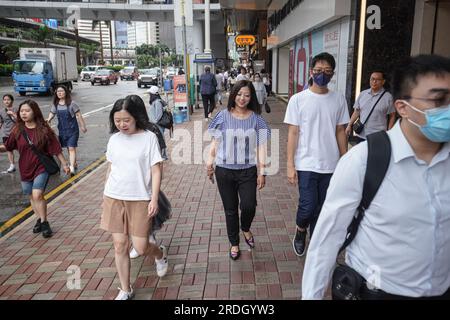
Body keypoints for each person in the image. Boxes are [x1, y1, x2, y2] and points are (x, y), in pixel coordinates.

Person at [302, 54, 450, 300]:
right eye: (439, 99)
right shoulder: (363, 161)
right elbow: (327, 239)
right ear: (403, 106)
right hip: (375, 292)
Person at [101, 95, 169, 300]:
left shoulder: (148, 137)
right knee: (120, 245)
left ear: (137, 118)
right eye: (117, 120)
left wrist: (154, 199)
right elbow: (111, 168)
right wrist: (105, 193)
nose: (121, 125)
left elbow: (156, 170)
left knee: (141, 247)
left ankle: (160, 254)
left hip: (140, 198)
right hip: (114, 197)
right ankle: (125, 289)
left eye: (126, 120)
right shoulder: (114, 139)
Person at [284, 52, 349, 257]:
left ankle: (315, 240)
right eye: (319, 70)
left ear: (333, 74)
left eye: (327, 71)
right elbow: (293, 133)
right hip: (306, 163)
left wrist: (345, 160)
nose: (323, 74)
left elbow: (340, 131)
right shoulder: (298, 100)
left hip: (331, 163)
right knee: (308, 205)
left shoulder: (338, 99)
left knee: (322, 208)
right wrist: (290, 165)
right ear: (311, 71)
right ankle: (300, 230)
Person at [207, 80, 270, 260]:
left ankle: (245, 228)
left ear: (252, 98)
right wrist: (209, 163)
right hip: (224, 171)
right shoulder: (222, 116)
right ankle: (234, 243)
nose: (242, 98)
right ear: (233, 95)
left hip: (248, 170)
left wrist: (262, 171)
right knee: (230, 209)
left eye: (247, 95)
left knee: (249, 205)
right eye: (239, 94)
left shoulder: (257, 120)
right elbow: (215, 142)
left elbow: (262, 147)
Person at [0, 100, 70, 238]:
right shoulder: (17, 130)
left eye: (27, 110)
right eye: (22, 111)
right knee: (31, 195)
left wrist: (65, 164)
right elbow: (8, 146)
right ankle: (39, 218)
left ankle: (44, 223)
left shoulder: (43, 129)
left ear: (35, 112)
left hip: (41, 166)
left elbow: (55, 148)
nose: (24, 113)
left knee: (37, 194)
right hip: (25, 167)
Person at [346, 71, 396, 144]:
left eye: (377, 79)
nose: (374, 81)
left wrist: (389, 132)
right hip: (361, 135)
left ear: (383, 82)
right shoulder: (363, 94)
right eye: (372, 79)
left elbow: (392, 115)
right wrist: (349, 125)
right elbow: (356, 112)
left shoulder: (388, 97)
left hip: (378, 136)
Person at [47, 85, 87, 176]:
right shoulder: (55, 105)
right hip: (62, 130)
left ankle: (71, 167)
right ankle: (74, 162)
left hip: (73, 129)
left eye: (61, 91)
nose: (59, 93)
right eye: (58, 92)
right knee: (69, 148)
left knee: (71, 147)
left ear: (66, 92)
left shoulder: (72, 104)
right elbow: (51, 114)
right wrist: (48, 119)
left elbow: (79, 115)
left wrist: (83, 126)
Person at [146, 86, 168, 160]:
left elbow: (159, 115)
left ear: (153, 94)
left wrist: (154, 122)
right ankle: (160, 154)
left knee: (161, 139)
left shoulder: (157, 102)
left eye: (150, 93)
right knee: (157, 139)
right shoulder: (155, 102)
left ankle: (163, 156)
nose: (149, 95)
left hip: (158, 125)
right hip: (155, 124)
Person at [0, 94, 18, 173]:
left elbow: (21, 121)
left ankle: (28, 163)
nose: (6, 101)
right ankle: (12, 165)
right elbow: (1, 122)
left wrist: (13, 114)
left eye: (8, 99)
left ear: (12, 101)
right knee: (9, 149)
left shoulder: (16, 109)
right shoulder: (1, 111)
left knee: (20, 149)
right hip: (6, 134)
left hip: (16, 133)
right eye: (5, 100)